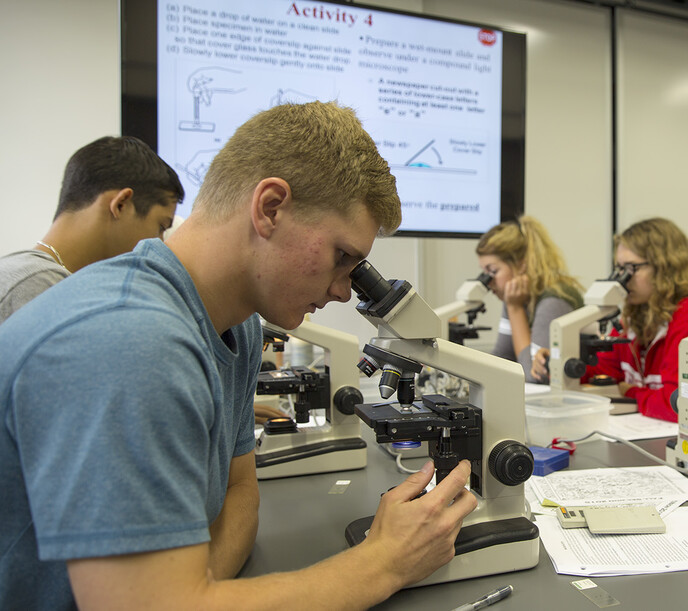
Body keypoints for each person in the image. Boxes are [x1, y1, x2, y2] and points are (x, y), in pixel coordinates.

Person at [0, 102, 477, 609]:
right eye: (343, 257)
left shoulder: (237, 325)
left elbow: (239, 494)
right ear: (270, 208)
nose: (344, 291)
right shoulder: (131, 341)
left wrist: (198, 593)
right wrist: (383, 562)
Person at [535, 217, 688, 424]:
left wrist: (631, 392)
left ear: (664, 267)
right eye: (620, 268)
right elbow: (604, 372)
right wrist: (557, 365)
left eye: (632, 268)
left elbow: (679, 405)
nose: (623, 279)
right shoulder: (635, 316)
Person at [0, 136, 183, 324]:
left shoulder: (38, 279)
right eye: (161, 226)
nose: (159, 243)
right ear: (121, 204)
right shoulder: (38, 287)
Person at [476, 216, 584, 382]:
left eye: (493, 272)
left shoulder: (554, 300)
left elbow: (533, 374)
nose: (488, 282)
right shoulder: (515, 298)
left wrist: (515, 309)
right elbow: (502, 358)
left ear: (521, 265)